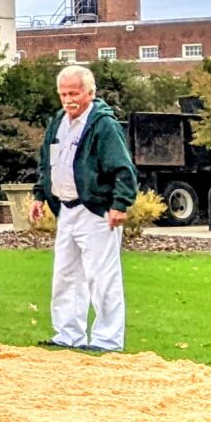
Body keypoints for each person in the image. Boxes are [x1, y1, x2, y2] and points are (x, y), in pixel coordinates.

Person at [33, 62, 139, 352]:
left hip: (95, 210)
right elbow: (48, 162)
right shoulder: (59, 121)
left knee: (102, 276)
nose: (68, 100)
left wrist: (120, 204)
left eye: (73, 94)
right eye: (63, 94)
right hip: (66, 208)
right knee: (65, 276)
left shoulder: (103, 125)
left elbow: (122, 168)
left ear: (89, 93)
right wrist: (40, 195)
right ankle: (68, 334)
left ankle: (107, 339)